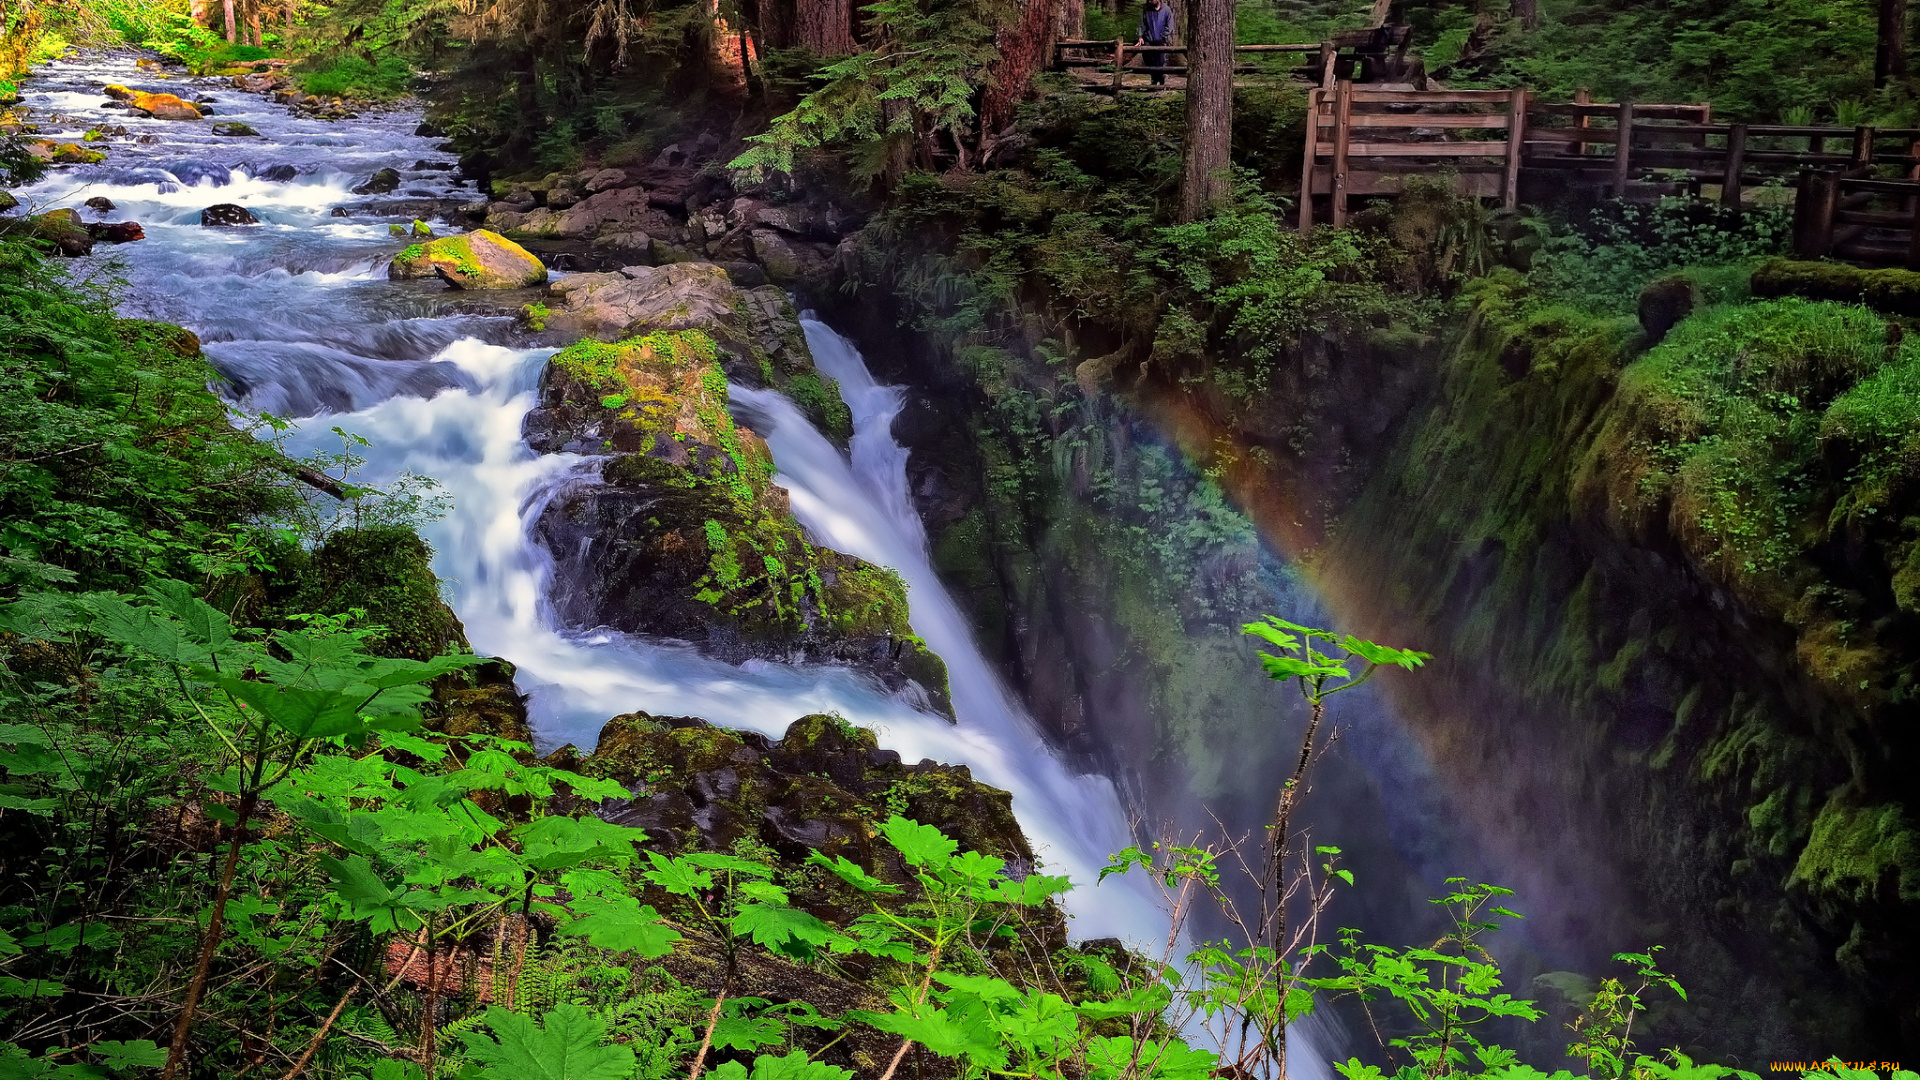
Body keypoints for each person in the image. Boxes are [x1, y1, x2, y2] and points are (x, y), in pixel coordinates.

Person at [1135, 0, 1173, 85]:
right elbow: (1142, 24)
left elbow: (1169, 25)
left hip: (1161, 40)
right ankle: (1154, 79)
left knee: (1160, 61)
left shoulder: (1166, 10)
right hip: (1149, 39)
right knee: (1149, 59)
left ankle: (1160, 79)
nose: (1151, 1)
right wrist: (1140, 36)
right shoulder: (1146, 9)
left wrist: (1163, 35)